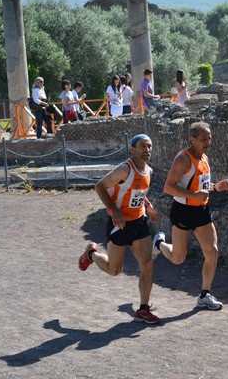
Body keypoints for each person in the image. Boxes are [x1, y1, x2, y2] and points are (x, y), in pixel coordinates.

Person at [78, 134, 161, 324]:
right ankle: (91, 254)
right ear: (132, 149)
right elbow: (99, 186)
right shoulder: (125, 169)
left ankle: (143, 309)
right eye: (142, 146)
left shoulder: (149, 170)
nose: (147, 150)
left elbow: (138, 192)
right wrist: (114, 211)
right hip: (119, 224)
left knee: (147, 265)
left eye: (149, 146)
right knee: (115, 270)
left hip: (139, 222)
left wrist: (148, 206)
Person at [152, 122, 228, 310]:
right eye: (203, 139)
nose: (207, 142)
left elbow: (201, 185)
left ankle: (205, 294)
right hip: (183, 211)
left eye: (209, 138)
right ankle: (158, 244)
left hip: (202, 210)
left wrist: (216, 187)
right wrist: (193, 196)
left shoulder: (204, 158)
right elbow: (168, 187)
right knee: (178, 258)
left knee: (212, 252)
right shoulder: (183, 159)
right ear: (192, 139)